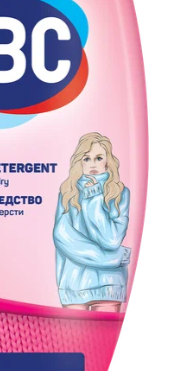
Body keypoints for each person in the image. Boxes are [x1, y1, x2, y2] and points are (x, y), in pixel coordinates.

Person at [53, 133, 131, 312]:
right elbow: (63, 238)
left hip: (109, 284)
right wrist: (114, 259)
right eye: (86, 158)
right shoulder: (68, 193)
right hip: (73, 284)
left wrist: (94, 200)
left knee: (105, 330)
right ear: (79, 162)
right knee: (72, 332)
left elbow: (111, 240)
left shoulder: (119, 193)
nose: (93, 164)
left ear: (108, 160)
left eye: (99, 158)